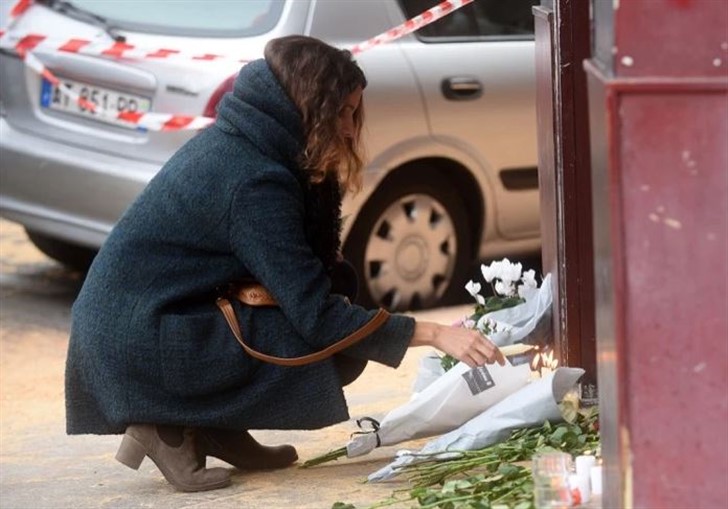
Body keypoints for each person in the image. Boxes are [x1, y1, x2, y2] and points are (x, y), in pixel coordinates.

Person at [65, 35, 505, 492]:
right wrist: (435, 334)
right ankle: (168, 428)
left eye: (356, 112)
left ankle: (217, 425)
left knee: (340, 321)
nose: (353, 129)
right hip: (136, 340)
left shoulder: (256, 142)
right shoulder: (255, 181)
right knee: (338, 345)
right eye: (342, 113)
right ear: (308, 107)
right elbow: (315, 315)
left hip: (151, 322)